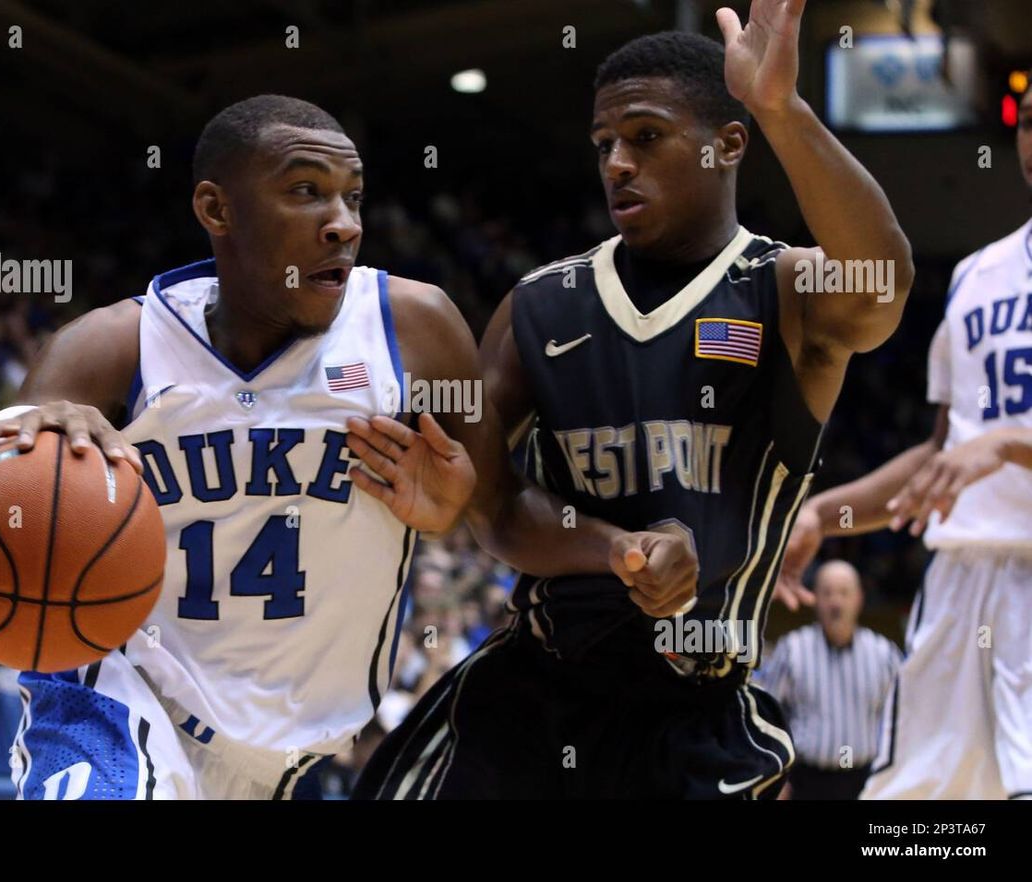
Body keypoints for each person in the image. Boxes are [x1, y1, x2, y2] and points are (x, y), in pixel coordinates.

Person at [0, 95, 696, 799]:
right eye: (305, 191)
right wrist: (31, 438)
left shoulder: (414, 330)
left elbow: (503, 513)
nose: (344, 221)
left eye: (353, 196)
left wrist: (612, 545)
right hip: (115, 692)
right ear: (216, 209)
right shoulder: (111, 349)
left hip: (291, 754)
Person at [351, 1, 913, 799]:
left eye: (645, 137)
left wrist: (782, 109)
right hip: (533, 701)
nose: (617, 161)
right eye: (604, 143)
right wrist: (614, 547)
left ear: (728, 146)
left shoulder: (785, 290)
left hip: (697, 714)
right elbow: (495, 507)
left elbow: (885, 286)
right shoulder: (540, 305)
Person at [781, 82, 1032, 800]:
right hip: (961, 588)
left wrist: (1009, 448)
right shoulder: (976, 277)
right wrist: (825, 516)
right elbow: (945, 454)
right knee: (916, 824)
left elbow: (989, 448)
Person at [755, 561, 900, 799]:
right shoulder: (792, 650)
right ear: (815, 599)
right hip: (805, 781)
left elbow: (900, 720)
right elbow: (766, 717)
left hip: (865, 782)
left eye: (844, 593)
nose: (836, 603)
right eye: (828, 593)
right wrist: (774, 776)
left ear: (859, 598)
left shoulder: (883, 653)